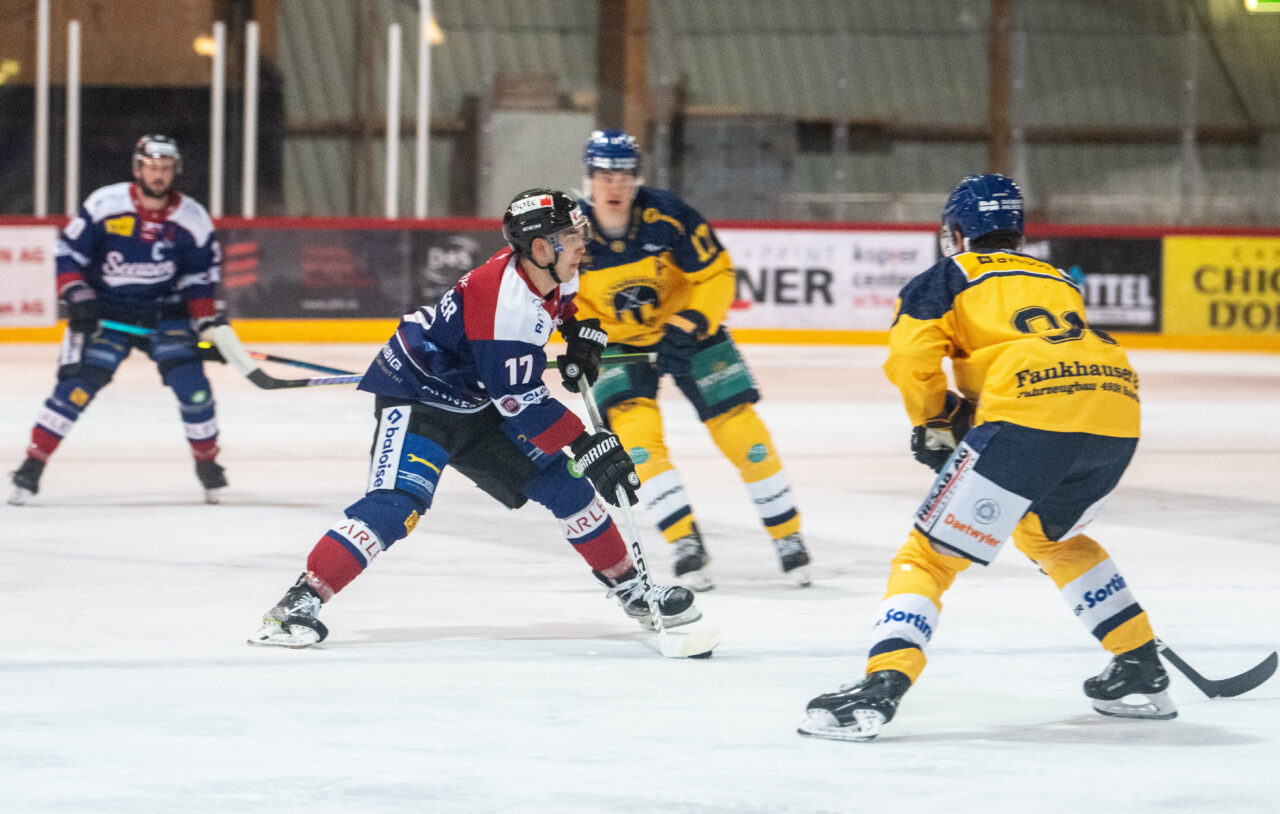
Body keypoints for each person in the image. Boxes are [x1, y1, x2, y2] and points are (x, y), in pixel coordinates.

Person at [798, 173, 1174, 742]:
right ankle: (1139, 665)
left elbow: (910, 357)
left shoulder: (948, 275)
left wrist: (929, 421)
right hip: (1117, 410)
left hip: (1030, 418)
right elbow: (1029, 349)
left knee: (926, 557)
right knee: (1052, 537)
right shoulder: (1057, 278)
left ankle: (881, 687)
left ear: (955, 231)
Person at [249, 188, 701, 647]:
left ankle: (631, 588)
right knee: (397, 505)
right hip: (419, 397)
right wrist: (589, 445)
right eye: (571, 233)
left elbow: (558, 313)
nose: (583, 240)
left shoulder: (556, 271)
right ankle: (298, 602)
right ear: (541, 247)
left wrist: (578, 335)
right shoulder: (504, 306)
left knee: (566, 485)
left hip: (479, 395)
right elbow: (520, 403)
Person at [571, 128, 810, 591]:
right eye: (604, 175)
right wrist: (583, 336)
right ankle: (684, 541)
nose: (614, 187)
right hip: (621, 343)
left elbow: (717, 273)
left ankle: (788, 534)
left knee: (741, 428)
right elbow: (559, 293)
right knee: (637, 440)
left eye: (623, 175)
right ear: (589, 179)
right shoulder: (571, 232)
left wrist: (693, 321)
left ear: (637, 178)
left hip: (689, 329)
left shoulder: (670, 216)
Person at [8, 134, 233, 505]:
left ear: (173, 171)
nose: (158, 175)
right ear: (137, 168)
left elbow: (200, 278)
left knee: (194, 390)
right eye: (151, 167)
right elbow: (68, 254)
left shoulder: (192, 218)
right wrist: (77, 295)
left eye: (164, 168)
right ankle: (32, 465)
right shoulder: (104, 205)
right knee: (75, 389)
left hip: (166, 315)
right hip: (108, 315)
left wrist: (206, 323)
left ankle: (207, 464)